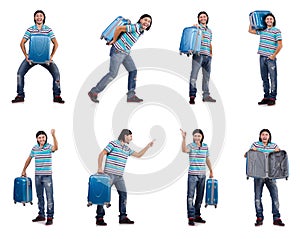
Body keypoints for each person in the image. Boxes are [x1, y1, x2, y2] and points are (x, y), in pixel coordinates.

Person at [88, 14, 152, 103]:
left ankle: (131, 96)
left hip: (125, 53)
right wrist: (114, 40)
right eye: (145, 20)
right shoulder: (136, 27)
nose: (147, 22)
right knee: (112, 74)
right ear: (140, 20)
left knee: (133, 71)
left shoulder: (140, 31)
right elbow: (119, 28)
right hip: (118, 51)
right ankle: (94, 92)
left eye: (149, 21)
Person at [96, 129, 155, 226]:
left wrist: (148, 146)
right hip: (109, 174)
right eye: (131, 136)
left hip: (119, 176)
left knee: (123, 195)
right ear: (125, 135)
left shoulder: (127, 149)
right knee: (103, 195)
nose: (131, 139)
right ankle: (99, 217)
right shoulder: (113, 144)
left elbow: (139, 155)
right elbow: (102, 154)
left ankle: (123, 217)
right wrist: (99, 168)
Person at [12, 10, 65, 104]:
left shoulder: (48, 30)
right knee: (20, 73)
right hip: (31, 59)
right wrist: (26, 56)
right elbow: (22, 43)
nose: (39, 17)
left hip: (45, 59)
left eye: (41, 16)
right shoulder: (30, 29)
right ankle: (20, 95)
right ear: (34, 18)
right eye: (37, 16)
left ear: (43, 18)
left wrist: (51, 56)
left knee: (56, 73)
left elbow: (56, 44)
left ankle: (57, 96)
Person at [248, 129, 285, 226]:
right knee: (257, 198)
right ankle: (259, 217)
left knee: (275, 197)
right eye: (263, 134)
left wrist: (279, 152)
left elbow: (281, 158)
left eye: (266, 134)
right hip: (259, 175)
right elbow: (247, 156)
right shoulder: (255, 145)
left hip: (271, 176)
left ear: (269, 136)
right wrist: (251, 151)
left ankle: (276, 218)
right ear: (260, 136)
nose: (264, 136)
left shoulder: (274, 146)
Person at [21, 129, 58, 226]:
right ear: (37, 139)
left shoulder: (49, 147)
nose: (42, 139)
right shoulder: (34, 148)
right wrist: (24, 170)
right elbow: (29, 159)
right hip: (37, 176)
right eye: (40, 137)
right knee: (39, 196)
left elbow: (56, 148)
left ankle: (50, 217)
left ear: (46, 138)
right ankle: (41, 215)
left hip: (47, 176)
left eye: (43, 137)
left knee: (49, 197)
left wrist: (53, 135)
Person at [180, 129, 213, 226]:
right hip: (192, 175)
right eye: (195, 136)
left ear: (202, 136)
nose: (197, 138)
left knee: (200, 196)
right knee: (190, 197)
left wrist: (211, 170)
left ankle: (197, 215)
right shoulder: (191, 146)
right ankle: (191, 217)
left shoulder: (205, 146)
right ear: (193, 137)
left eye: (198, 136)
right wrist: (184, 138)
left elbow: (207, 159)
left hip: (202, 175)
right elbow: (184, 150)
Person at [248, 13, 282, 106]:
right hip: (262, 57)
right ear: (265, 21)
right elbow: (250, 30)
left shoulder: (277, 31)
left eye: (271, 19)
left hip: (270, 58)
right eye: (267, 19)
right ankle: (266, 96)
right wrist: (251, 19)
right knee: (264, 77)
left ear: (273, 20)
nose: (269, 20)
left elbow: (280, 45)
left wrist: (273, 55)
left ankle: (272, 97)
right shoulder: (262, 30)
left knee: (273, 78)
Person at [189, 11, 216, 105]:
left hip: (208, 57)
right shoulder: (196, 28)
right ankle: (192, 96)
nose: (203, 18)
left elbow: (210, 43)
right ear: (199, 19)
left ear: (207, 18)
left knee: (206, 77)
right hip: (198, 55)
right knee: (194, 76)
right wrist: (194, 27)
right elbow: (191, 38)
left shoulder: (210, 31)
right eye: (201, 17)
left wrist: (211, 53)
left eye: (204, 17)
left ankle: (206, 96)